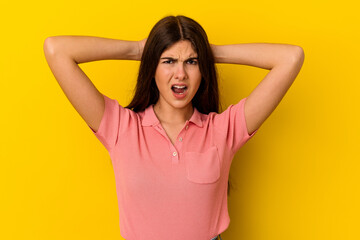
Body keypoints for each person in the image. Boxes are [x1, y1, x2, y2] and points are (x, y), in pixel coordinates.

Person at [43, 15, 304, 240]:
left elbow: (291, 58)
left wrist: (208, 53)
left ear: (203, 71)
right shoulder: (120, 127)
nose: (180, 73)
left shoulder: (224, 129)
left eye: (191, 62)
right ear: (151, 68)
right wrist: (137, 49)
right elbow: (56, 49)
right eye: (168, 61)